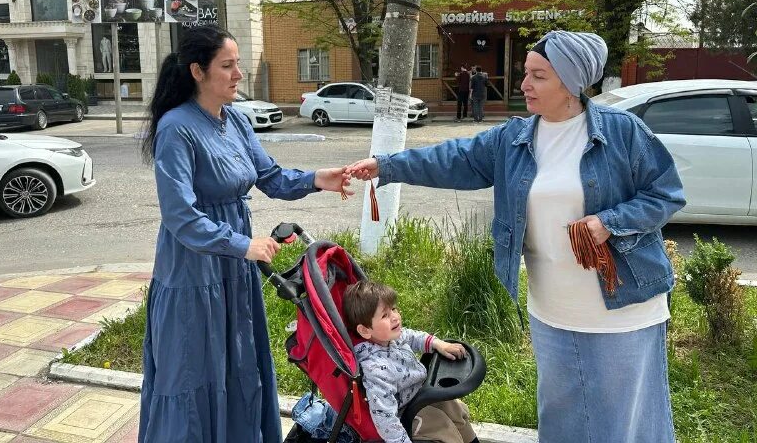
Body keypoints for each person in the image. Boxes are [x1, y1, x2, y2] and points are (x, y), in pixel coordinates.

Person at [347, 30, 686, 443]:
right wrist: (385, 166)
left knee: (623, 423)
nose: (523, 84)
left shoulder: (622, 132)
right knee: (561, 419)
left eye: (538, 76)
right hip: (553, 309)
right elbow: (453, 158)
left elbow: (665, 194)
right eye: (526, 73)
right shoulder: (515, 138)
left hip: (623, 306)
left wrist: (608, 222)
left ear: (571, 82)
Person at [138, 25, 352, 443]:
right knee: (193, 369)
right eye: (228, 65)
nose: (239, 74)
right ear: (198, 71)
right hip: (193, 271)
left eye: (238, 64)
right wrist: (244, 244)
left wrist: (317, 179)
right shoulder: (176, 128)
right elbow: (180, 215)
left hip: (236, 269)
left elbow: (269, 176)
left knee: (239, 364)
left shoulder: (235, 119)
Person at [343, 281, 478, 443]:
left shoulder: (390, 338)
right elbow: (385, 418)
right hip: (408, 413)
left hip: (421, 394)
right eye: (385, 315)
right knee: (445, 429)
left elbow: (412, 336)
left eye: (393, 309)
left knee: (457, 411)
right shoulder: (376, 369)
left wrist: (438, 344)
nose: (394, 317)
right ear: (365, 330)